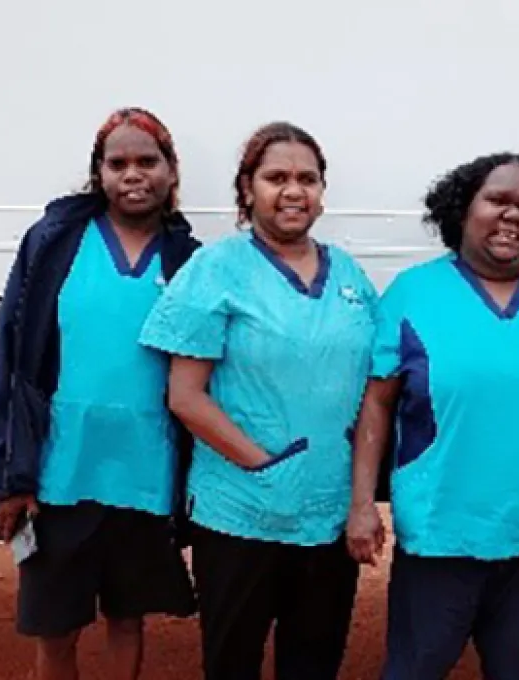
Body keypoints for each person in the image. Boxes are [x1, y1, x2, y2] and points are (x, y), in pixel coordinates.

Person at [347, 152, 519, 680]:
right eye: (497, 200)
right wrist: (363, 502)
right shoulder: (414, 292)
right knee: (417, 665)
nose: (513, 215)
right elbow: (378, 401)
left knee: (510, 665)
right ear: (462, 209)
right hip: (444, 525)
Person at [138, 121, 376, 680]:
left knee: (314, 663)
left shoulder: (349, 274)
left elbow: (372, 391)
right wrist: (262, 465)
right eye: (276, 177)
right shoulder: (216, 270)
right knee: (233, 662)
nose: (294, 191)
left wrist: (358, 496)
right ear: (248, 189)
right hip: (239, 514)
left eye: (307, 179)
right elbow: (185, 396)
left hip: (327, 513)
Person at [0, 107, 199, 680]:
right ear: (97, 173)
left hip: (144, 475)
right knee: (56, 628)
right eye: (117, 163)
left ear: (171, 172)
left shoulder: (188, 260)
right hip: (60, 475)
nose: (133, 174)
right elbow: (10, 356)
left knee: (128, 619)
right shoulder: (54, 243)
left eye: (147, 161)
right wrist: (11, 477)